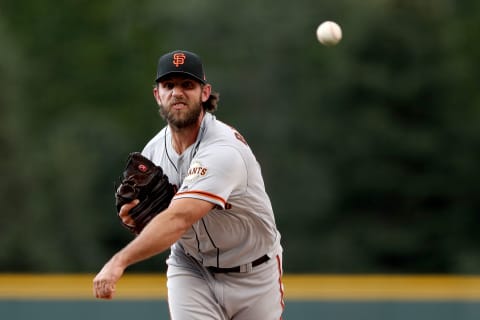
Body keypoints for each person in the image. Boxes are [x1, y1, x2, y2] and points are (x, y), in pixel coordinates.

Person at [93, 50, 285, 319]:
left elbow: (179, 218)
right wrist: (138, 221)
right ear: (157, 95)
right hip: (191, 268)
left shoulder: (223, 149)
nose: (177, 93)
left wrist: (119, 261)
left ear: (205, 93)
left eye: (187, 85)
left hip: (254, 273)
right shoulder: (153, 154)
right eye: (169, 85)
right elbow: (161, 223)